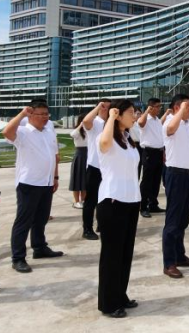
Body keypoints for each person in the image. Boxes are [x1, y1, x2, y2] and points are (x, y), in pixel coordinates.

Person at [3, 102, 64, 273]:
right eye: (40, 114)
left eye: (47, 114)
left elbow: (54, 156)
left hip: (46, 182)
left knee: (41, 219)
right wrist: (21, 114)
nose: (45, 117)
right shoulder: (23, 132)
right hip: (29, 183)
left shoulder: (49, 132)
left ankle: (39, 247)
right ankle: (18, 257)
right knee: (23, 222)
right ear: (30, 115)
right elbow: (6, 132)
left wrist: (55, 177)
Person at [96, 99, 142, 318]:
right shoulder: (106, 137)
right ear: (119, 115)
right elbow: (104, 144)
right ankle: (109, 303)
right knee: (111, 255)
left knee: (125, 253)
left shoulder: (128, 139)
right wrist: (111, 117)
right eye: (131, 112)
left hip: (131, 200)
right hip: (113, 201)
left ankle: (120, 294)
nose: (135, 116)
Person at [161, 94, 189, 278]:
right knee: (173, 221)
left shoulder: (185, 124)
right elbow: (170, 129)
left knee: (183, 220)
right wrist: (180, 112)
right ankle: (169, 263)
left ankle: (179, 255)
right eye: (187, 106)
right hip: (176, 175)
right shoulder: (170, 122)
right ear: (177, 108)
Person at [81, 99, 111, 240]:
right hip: (94, 167)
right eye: (103, 107)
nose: (106, 109)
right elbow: (86, 121)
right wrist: (99, 106)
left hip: (108, 168)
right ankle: (87, 229)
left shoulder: (111, 123)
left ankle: (102, 224)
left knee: (105, 199)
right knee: (91, 201)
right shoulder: (95, 123)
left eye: (108, 107)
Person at [136, 98, 167, 218]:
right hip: (149, 153)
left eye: (160, 106)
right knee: (147, 181)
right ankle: (143, 207)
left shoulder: (157, 120)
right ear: (151, 107)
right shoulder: (145, 119)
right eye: (157, 106)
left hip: (159, 152)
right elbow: (140, 123)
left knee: (156, 180)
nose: (159, 108)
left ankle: (153, 204)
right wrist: (146, 111)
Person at [68, 112, 88, 209]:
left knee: (85, 180)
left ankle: (83, 200)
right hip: (79, 155)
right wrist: (81, 125)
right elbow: (72, 134)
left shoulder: (90, 131)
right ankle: (77, 201)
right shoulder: (77, 131)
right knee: (76, 180)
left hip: (88, 155)